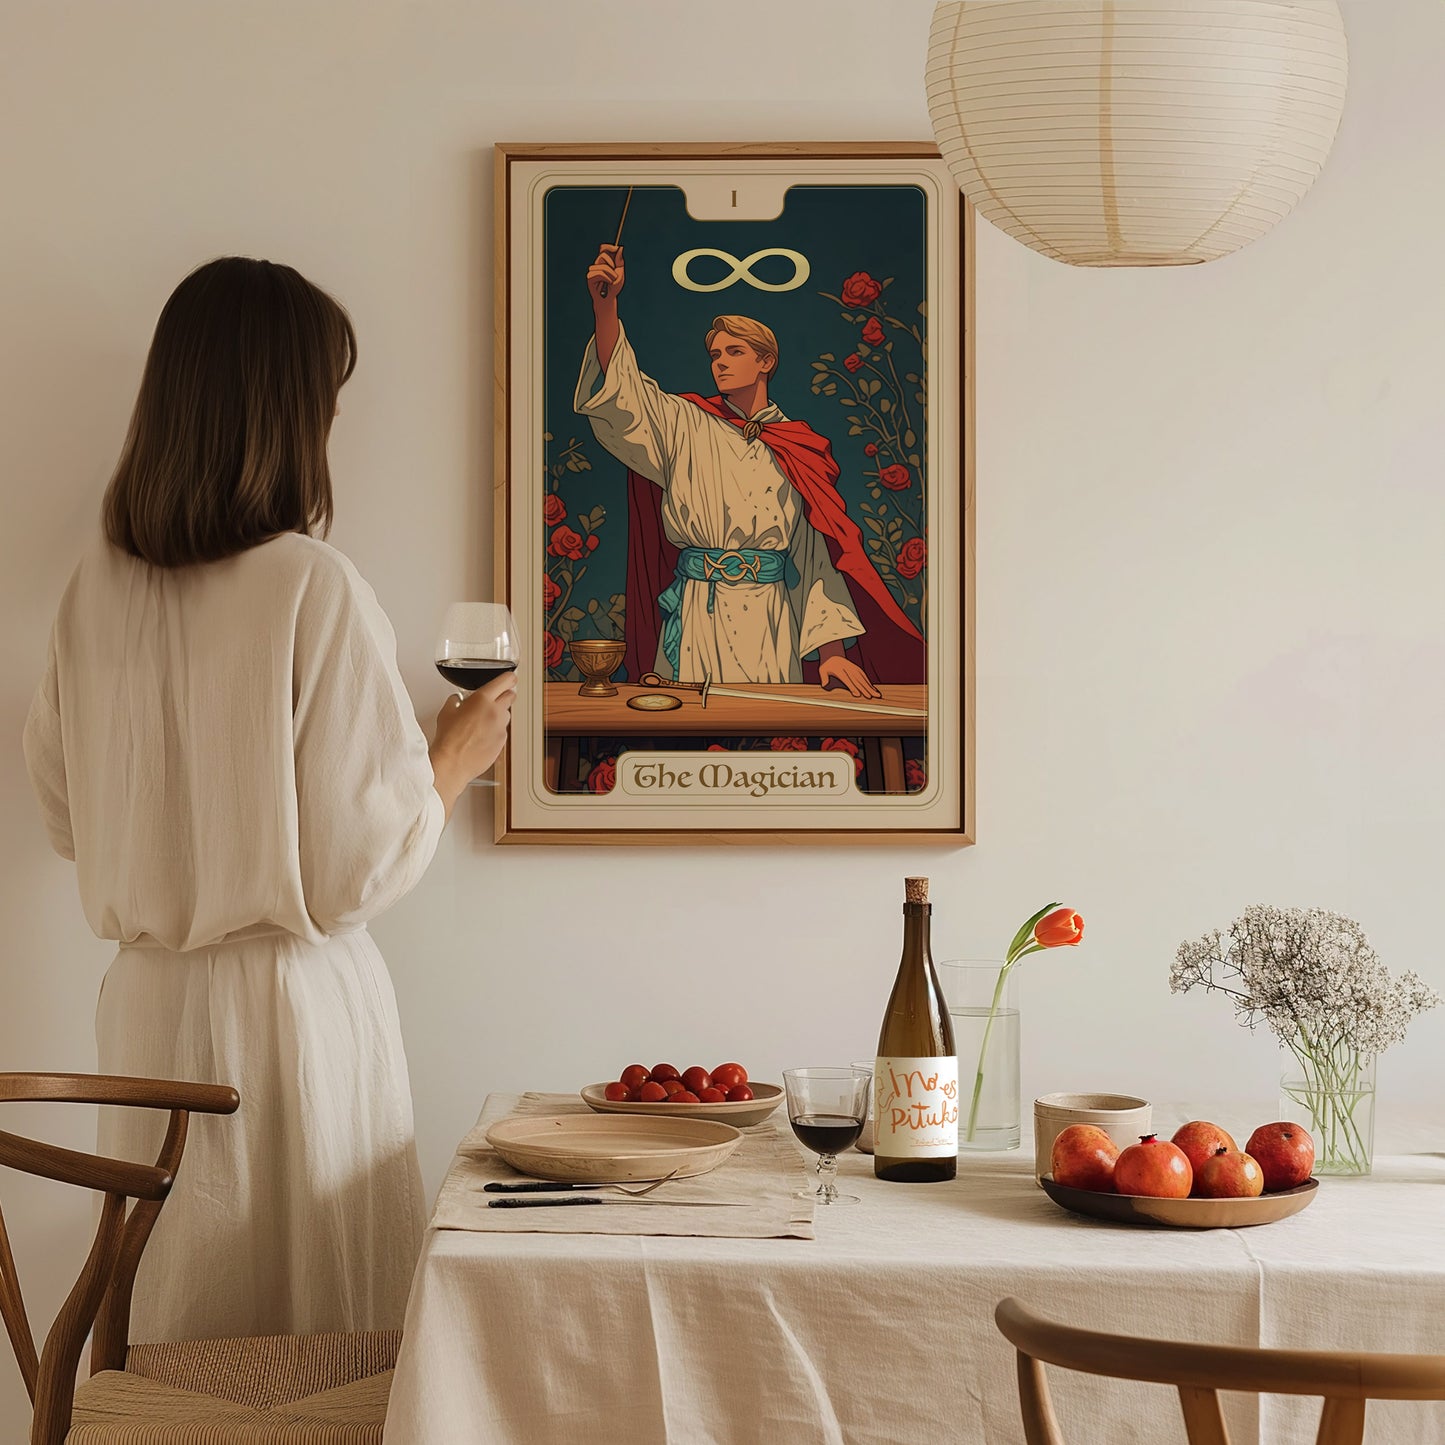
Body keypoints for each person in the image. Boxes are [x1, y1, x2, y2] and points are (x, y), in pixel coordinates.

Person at [21, 256, 513, 1342]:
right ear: (288, 411)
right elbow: (352, 872)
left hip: (145, 1011)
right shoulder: (310, 582)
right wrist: (449, 759)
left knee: (175, 1327)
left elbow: (64, 816)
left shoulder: (94, 590)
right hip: (289, 1017)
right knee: (316, 1344)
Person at [574, 241, 925, 693]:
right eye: (715, 355)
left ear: (766, 361)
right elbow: (625, 396)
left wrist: (832, 655)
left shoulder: (796, 448)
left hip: (768, 622)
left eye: (734, 352)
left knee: (764, 722)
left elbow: (814, 561)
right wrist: (606, 310)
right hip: (697, 612)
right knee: (687, 726)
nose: (720, 362)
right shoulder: (685, 422)